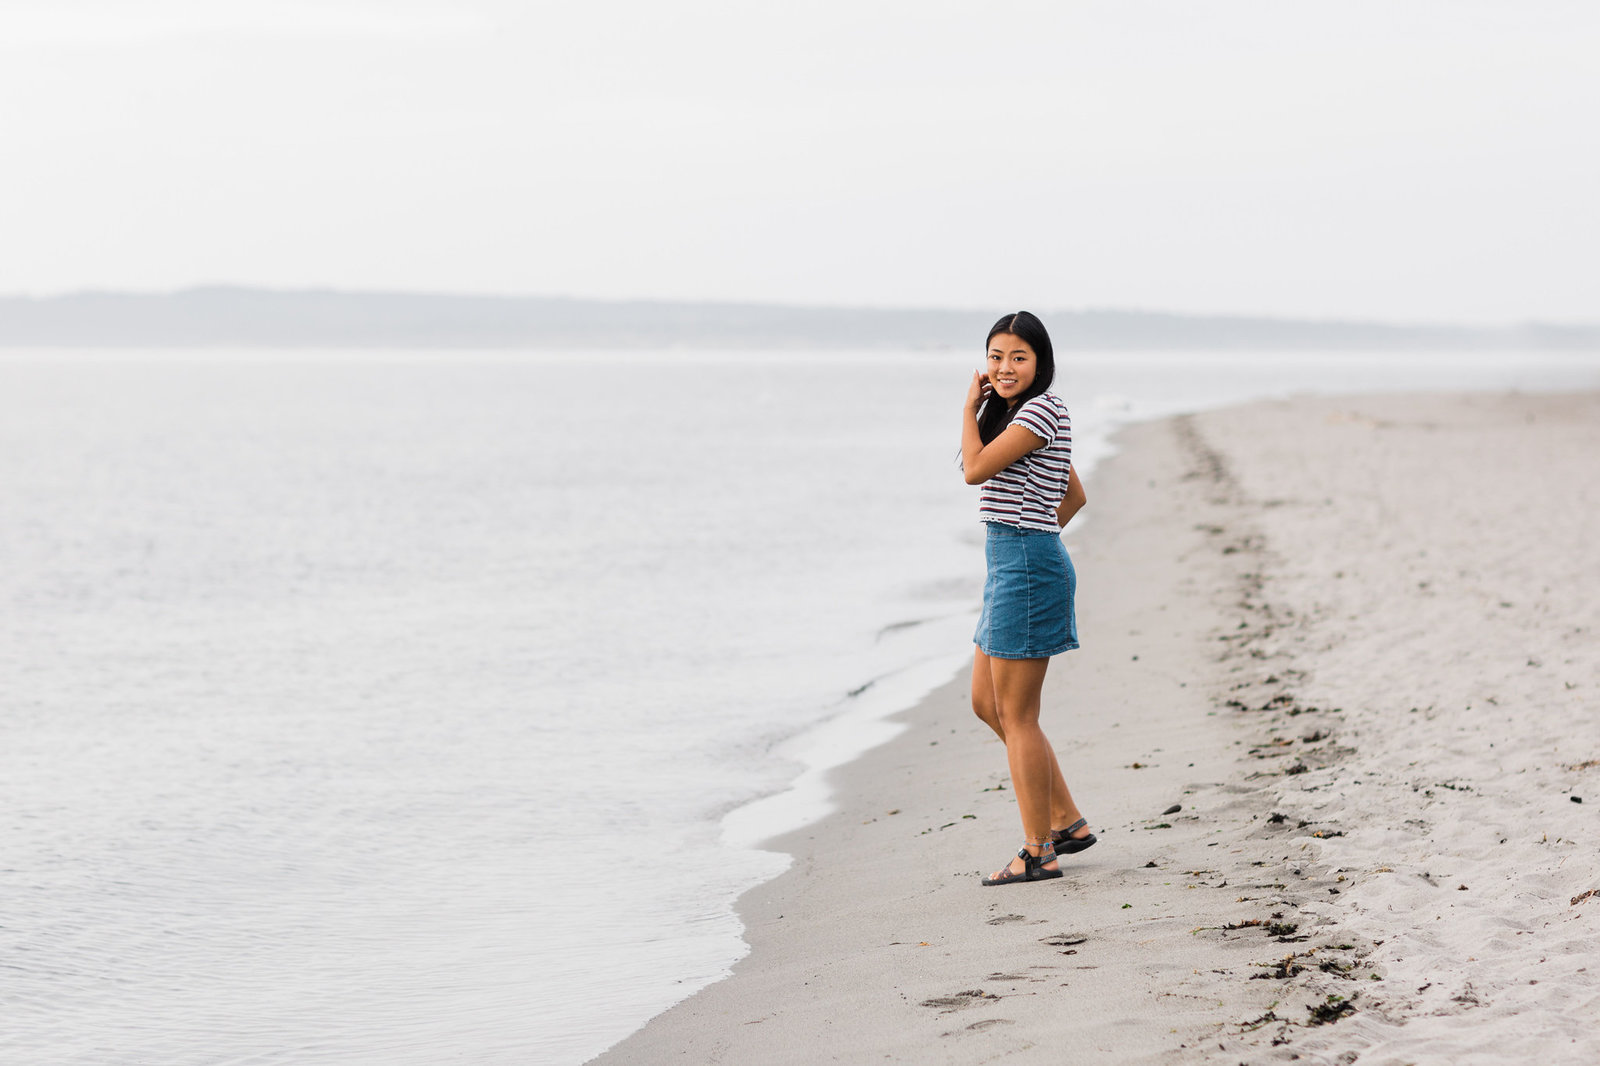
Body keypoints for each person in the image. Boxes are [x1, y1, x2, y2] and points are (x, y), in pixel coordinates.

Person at [960, 311, 1096, 886]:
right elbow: (1075, 496)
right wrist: (1037, 534)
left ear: (1039, 362)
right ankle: (1066, 821)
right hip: (1014, 563)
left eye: (1018, 357)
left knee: (1017, 714)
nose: (1005, 367)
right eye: (996, 356)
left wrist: (969, 409)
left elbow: (974, 470)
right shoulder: (1027, 413)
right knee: (986, 704)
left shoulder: (1041, 410)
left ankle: (1038, 851)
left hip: (1023, 565)